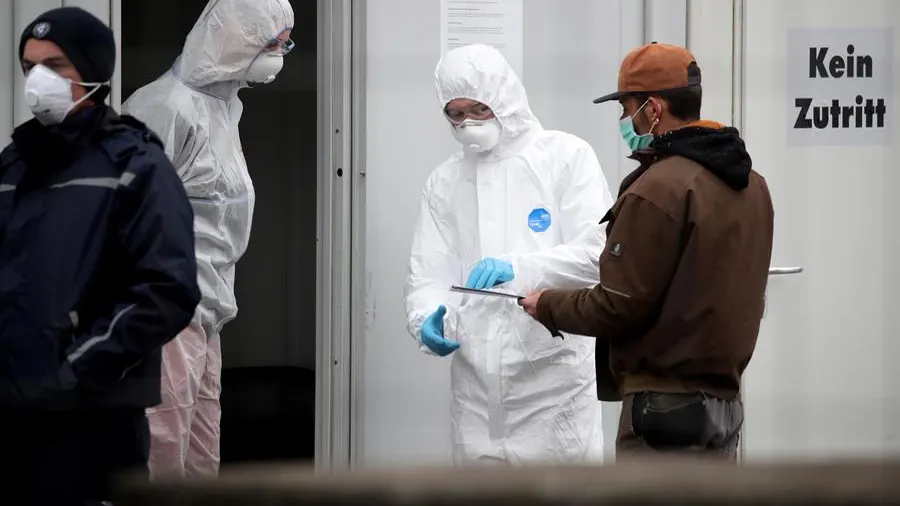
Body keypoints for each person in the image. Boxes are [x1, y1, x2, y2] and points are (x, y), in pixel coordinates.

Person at [519, 42, 775, 461]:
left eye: (626, 108)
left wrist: (547, 304)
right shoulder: (753, 186)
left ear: (653, 109)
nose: (623, 120)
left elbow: (618, 306)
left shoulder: (657, 189)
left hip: (663, 415)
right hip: (724, 409)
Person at [0, 7, 201, 504]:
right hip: (10, 416)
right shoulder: (13, 166)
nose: (37, 80)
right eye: (30, 67)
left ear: (92, 71)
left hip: (91, 423)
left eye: (56, 66)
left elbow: (167, 290)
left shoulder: (135, 166)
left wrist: (71, 373)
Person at [404, 44, 614, 465]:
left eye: (478, 109)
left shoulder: (564, 157)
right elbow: (428, 272)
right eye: (455, 113)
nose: (466, 123)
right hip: (475, 392)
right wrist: (425, 316)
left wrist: (518, 268)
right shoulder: (445, 181)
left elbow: (597, 254)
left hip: (553, 386)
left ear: (504, 98)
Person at [121, 0, 294, 478]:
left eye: (285, 44)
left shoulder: (224, 107)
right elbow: (124, 216)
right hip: (162, 312)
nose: (280, 55)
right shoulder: (162, 107)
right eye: (272, 44)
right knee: (161, 444)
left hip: (207, 307)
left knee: (200, 446)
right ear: (236, 38)